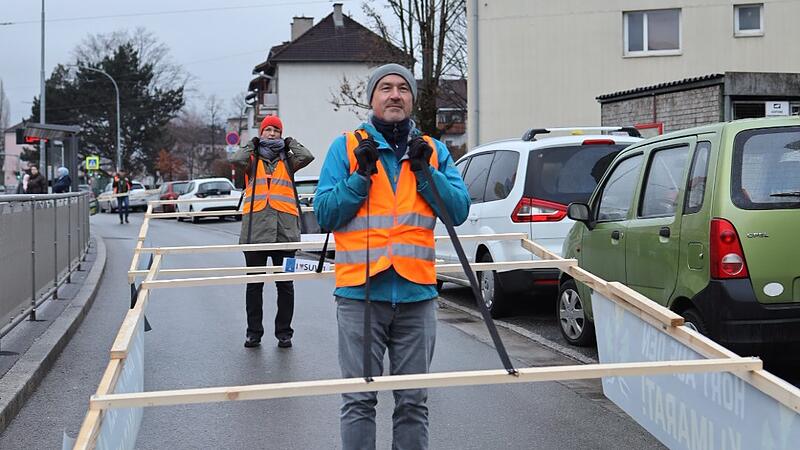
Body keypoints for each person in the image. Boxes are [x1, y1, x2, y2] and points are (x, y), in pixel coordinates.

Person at [314, 63, 470, 450]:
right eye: (385, 87)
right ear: (372, 97)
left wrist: (424, 172)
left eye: (403, 88)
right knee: (359, 400)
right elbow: (324, 213)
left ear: (412, 99)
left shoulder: (431, 151)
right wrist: (359, 179)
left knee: (413, 402)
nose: (395, 94)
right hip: (360, 295)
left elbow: (458, 211)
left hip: (417, 295)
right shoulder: (347, 148)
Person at [229, 115, 314, 349]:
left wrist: (290, 142)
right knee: (255, 285)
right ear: (261, 132)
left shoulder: (289, 159)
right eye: (268, 129)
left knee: (285, 285)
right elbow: (236, 159)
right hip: (255, 231)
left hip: (284, 232)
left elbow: (307, 155)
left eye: (276, 130)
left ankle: (284, 333)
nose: (272, 133)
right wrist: (251, 143)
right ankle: (253, 333)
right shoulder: (252, 158)